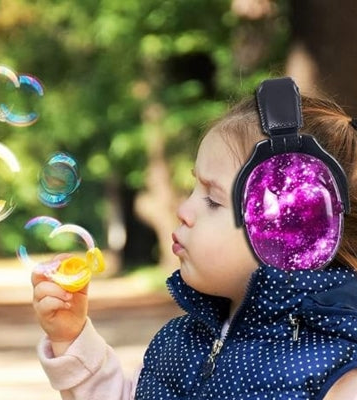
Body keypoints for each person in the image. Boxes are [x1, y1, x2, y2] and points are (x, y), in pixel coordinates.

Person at [32, 79, 357, 399]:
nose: (183, 209)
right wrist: (72, 338)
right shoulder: (180, 343)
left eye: (213, 200)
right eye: (192, 189)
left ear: (296, 232)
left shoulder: (337, 373)